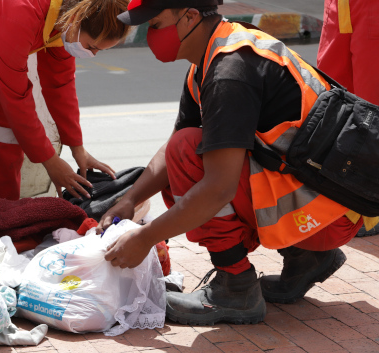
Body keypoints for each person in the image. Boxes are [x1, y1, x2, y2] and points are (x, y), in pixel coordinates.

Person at [99, 0, 364, 325]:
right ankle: (306, 257)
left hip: (326, 217)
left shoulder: (230, 70)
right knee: (184, 149)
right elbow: (175, 142)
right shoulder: (217, 55)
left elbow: (217, 188)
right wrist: (129, 199)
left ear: (190, 17)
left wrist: (144, 239)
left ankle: (235, 286)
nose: (151, 35)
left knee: (189, 156)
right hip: (327, 205)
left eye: (155, 25)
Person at [0, 0, 129, 200]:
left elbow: (60, 84)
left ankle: (3, 217)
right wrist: (50, 162)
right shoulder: (18, 13)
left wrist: (78, 150)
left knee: (3, 130)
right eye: (92, 47)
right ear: (76, 19)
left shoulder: (65, 17)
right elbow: (15, 97)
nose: (92, 54)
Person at [318, 0, 379, 237]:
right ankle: (346, 198)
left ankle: (369, 206)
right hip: (340, 5)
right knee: (334, 99)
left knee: (372, 106)